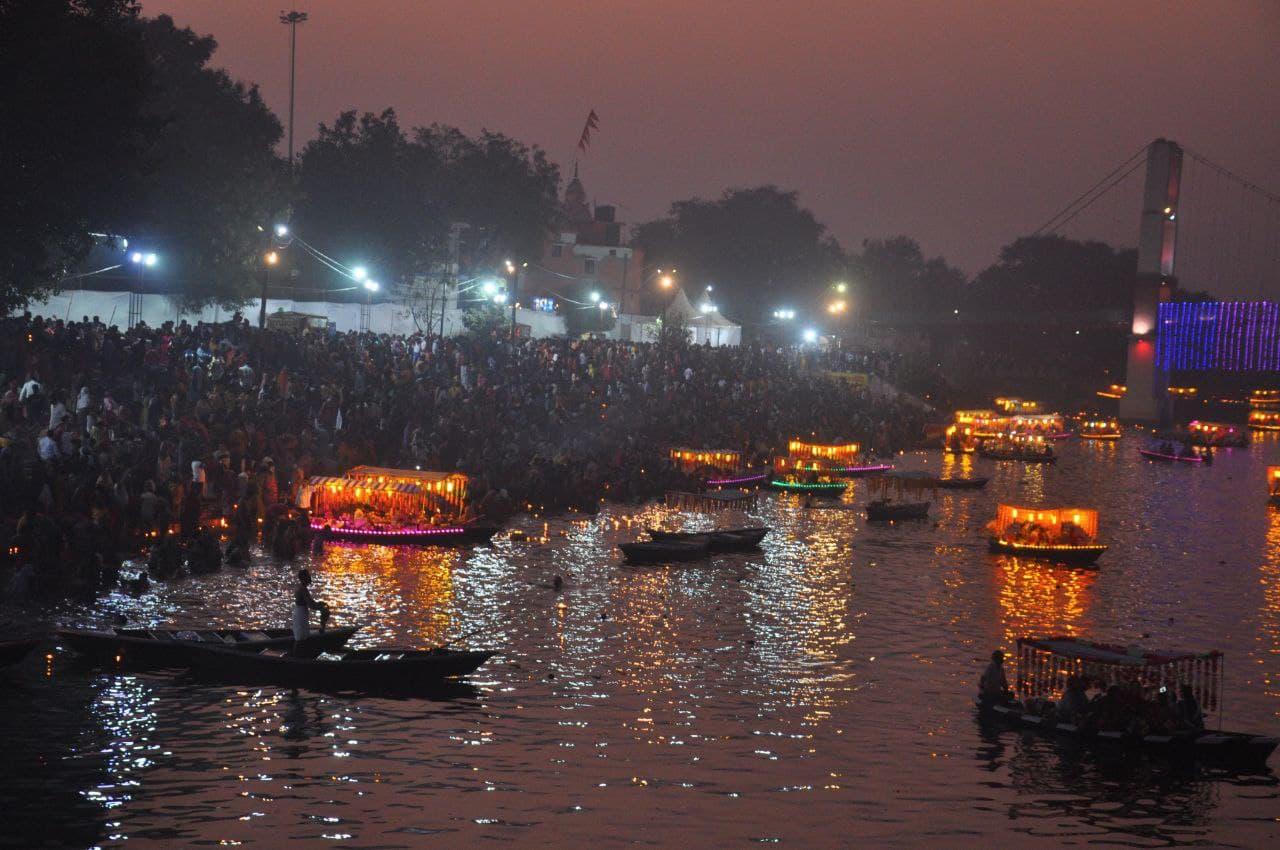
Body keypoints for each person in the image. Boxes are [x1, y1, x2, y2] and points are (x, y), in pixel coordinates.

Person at [292, 568, 330, 646]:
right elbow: (311, 604)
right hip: (300, 614)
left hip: (300, 613)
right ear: (303, 578)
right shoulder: (303, 590)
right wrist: (321, 607)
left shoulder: (302, 588)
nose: (310, 578)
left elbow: (311, 602)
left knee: (302, 635)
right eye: (308, 576)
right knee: (301, 637)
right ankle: (296, 655)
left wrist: (320, 604)